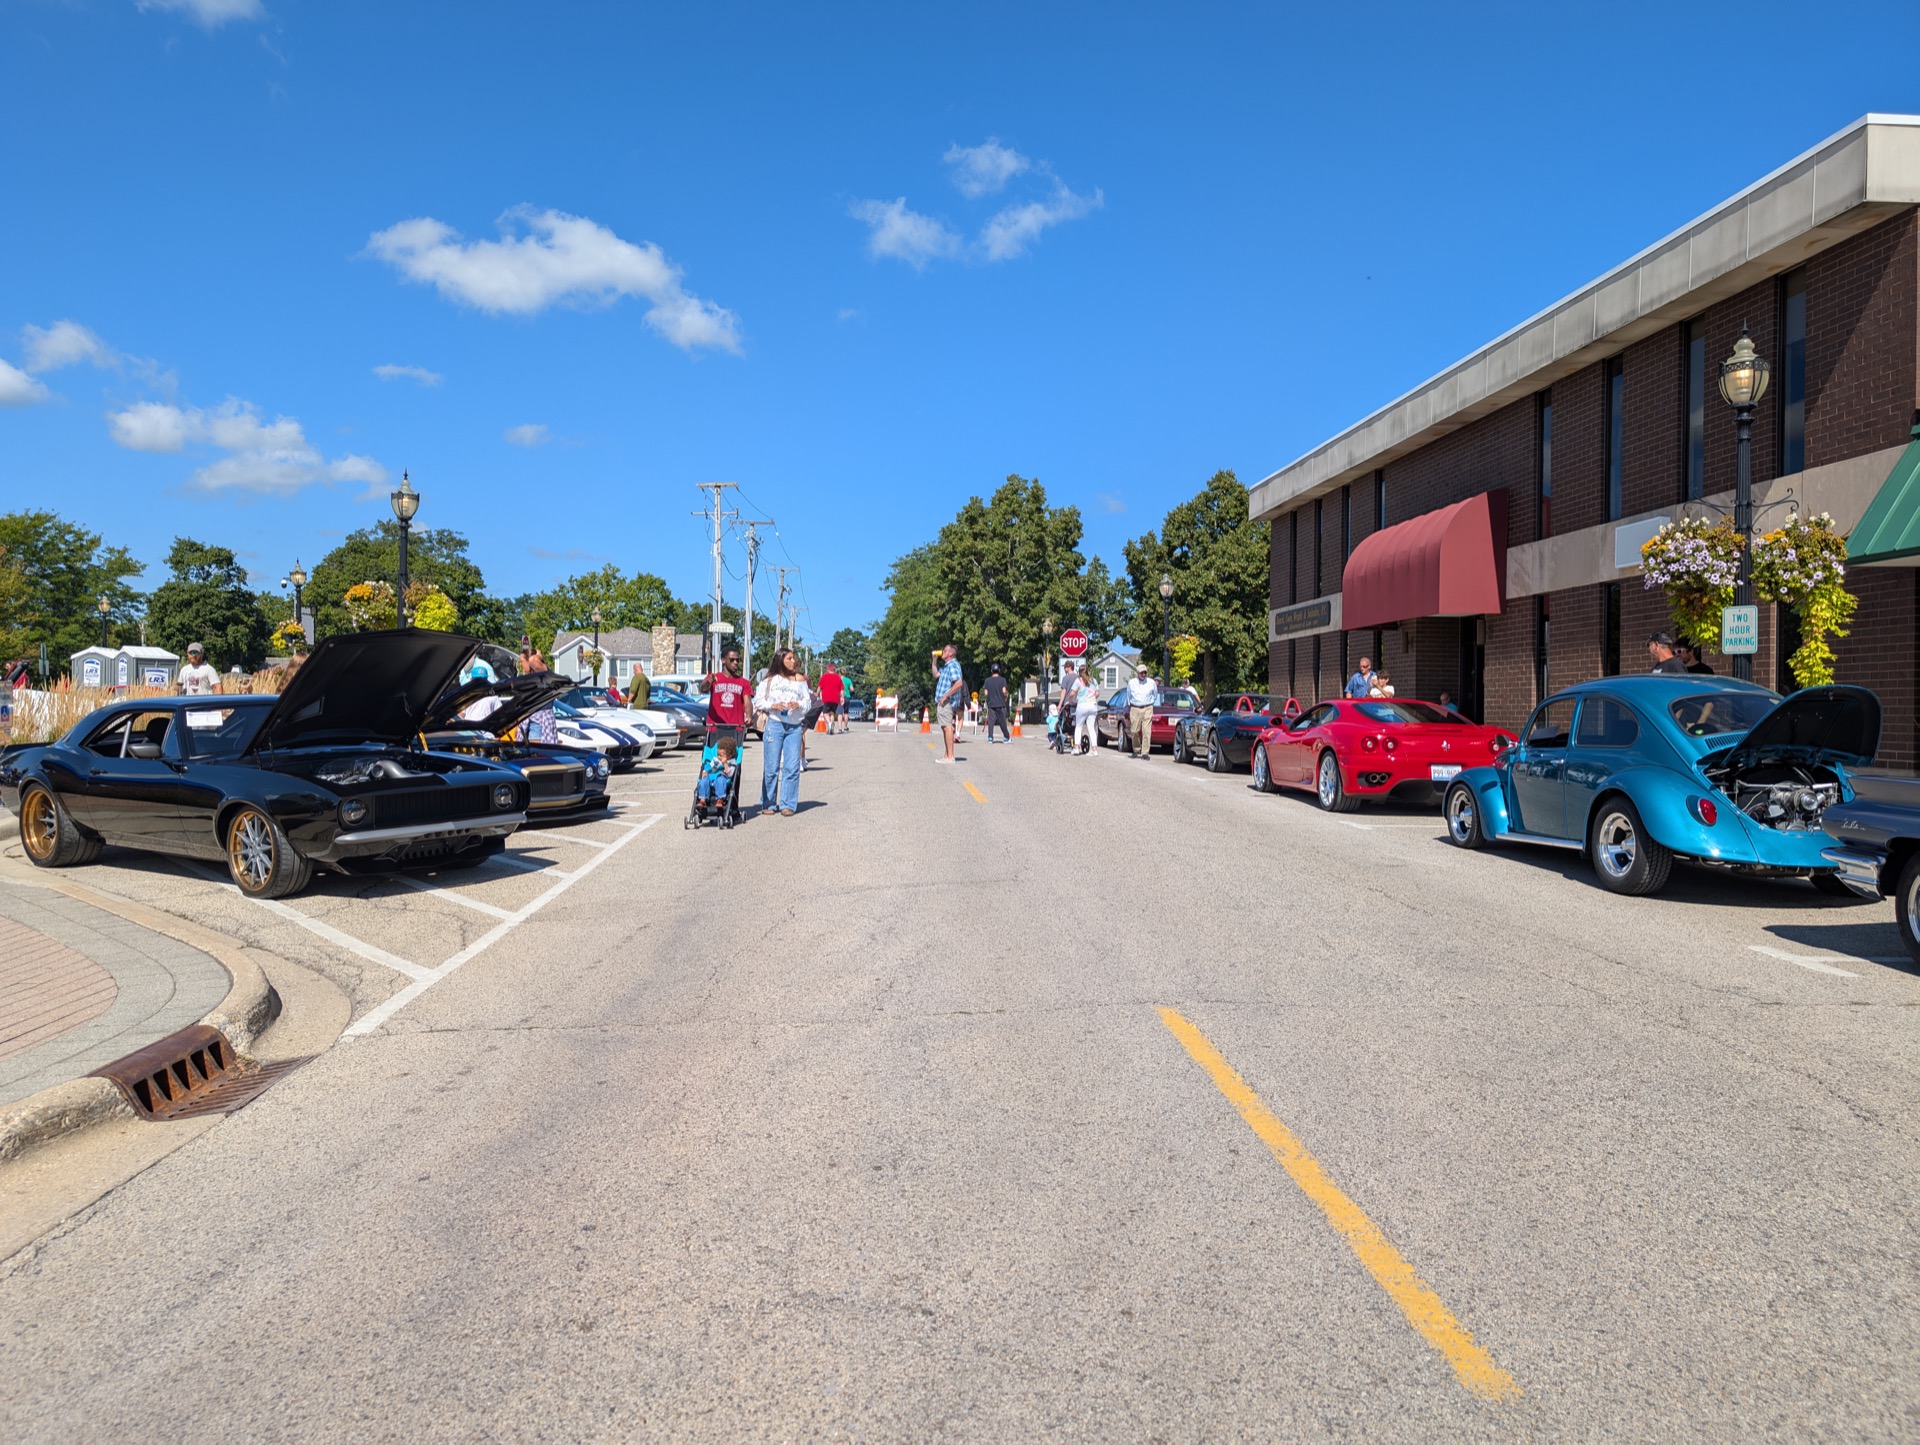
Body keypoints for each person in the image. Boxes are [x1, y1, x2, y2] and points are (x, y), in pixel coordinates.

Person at [757, 648, 810, 814]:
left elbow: (808, 703)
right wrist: (772, 705)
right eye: (789, 658)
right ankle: (769, 803)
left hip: (794, 727)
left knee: (792, 766)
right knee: (772, 766)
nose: (793, 662)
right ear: (780, 660)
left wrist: (799, 705)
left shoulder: (800, 680)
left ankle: (788, 804)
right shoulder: (770, 680)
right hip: (775, 724)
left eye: (793, 659)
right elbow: (758, 701)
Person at [705, 648, 752, 748]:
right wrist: (708, 682)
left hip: (736, 729)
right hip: (715, 728)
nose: (735, 662)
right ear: (723, 660)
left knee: (734, 762)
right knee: (712, 761)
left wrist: (748, 715)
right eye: (732, 660)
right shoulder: (714, 678)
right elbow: (703, 688)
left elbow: (747, 701)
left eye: (737, 660)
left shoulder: (744, 682)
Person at [693, 736, 738, 818]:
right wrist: (705, 772)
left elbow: (730, 774)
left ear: (729, 755)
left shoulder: (732, 762)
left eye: (721, 755)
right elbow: (708, 767)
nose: (719, 757)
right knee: (703, 781)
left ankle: (720, 800)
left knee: (720, 781)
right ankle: (702, 800)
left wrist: (725, 764)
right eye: (718, 754)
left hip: (722, 777)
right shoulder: (715, 760)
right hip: (711, 777)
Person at [933, 643, 964, 763]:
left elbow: (958, 683)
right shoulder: (946, 666)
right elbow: (935, 674)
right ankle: (947, 755)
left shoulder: (953, 665)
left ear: (951, 653)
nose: (942, 651)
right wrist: (934, 661)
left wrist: (945, 696)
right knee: (945, 727)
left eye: (945, 650)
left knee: (947, 727)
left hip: (947, 702)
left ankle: (950, 756)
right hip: (942, 701)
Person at [1124, 663, 1159, 758]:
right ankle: (1136, 749)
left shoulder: (1151, 682)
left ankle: (1145, 753)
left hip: (1148, 707)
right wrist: (1129, 706)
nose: (1143, 674)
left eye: (1145, 672)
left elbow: (1155, 695)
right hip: (1135, 707)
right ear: (1137, 673)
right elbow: (1128, 695)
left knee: (1146, 731)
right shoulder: (1132, 682)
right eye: (1141, 673)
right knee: (1134, 730)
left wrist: (1150, 704)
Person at [1074, 669, 1102, 754]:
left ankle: (1076, 748)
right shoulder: (1093, 680)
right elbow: (1097, 693)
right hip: (1092, 705)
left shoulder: (1078, 680)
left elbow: (1072, 693)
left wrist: (1071, 700)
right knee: (1091, 727)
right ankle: (1094, 749)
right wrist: (1092, 698)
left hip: (1082, 705)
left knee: (1079, 726)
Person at [982, 664, 1010, 743]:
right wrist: (1006, 695)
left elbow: (986, 693)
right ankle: (1006, 737)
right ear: (999, 670)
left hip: (991, 704)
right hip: (1000, 703)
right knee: (1002, 721)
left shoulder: (987, 680)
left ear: (991, 671)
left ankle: (990, 737)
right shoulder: (1002, 680)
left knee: (991, 721)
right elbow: (1004, 691)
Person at [818, 663, 845, 734]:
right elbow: (842, 689)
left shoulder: (824, 677)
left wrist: (816, 694)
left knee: (825, 713)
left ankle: (829, 723)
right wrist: (842, 697)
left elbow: (820, 687)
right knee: (832, 712)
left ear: (828, 669)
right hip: (835, 699)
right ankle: (831, 729)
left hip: (826, 698)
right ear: (834, 670)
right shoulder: (838, 678)